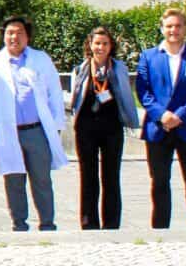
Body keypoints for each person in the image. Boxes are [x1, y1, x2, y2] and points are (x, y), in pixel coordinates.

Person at [0, 16, 68, 232]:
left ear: (27, 36)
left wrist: (57, 124)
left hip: (37, 129)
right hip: (7, 131)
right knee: (13, 180)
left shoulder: (41, 59)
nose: (14, 37)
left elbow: (54, 93)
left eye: (19, 32)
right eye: (10, 32)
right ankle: (19, 224)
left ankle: (47, 223)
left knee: (41, 179)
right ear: (3, 36)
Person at [137, 7, 186, 229]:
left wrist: (179, 116)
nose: (174, 30)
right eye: (169, 26)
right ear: (162, 29)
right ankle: (160, 230)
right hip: (157, 129)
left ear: (185, 28)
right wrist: (162, 115)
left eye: (178, 26)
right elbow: (143, 91)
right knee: (159, 183)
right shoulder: (148, 56)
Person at [70, 26, 140, 230]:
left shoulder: (118, 68)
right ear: (90, 45)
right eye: (97, 43)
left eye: (105, 44)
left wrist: (132, 121)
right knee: (88, 176)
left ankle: (111, 223)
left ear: (111, 46)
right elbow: (75, 98)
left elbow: (126, 96)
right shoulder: (81, 69)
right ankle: (88, 222)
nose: (100, 47)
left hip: (112, 128)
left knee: (111, 176)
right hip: (86, 128)